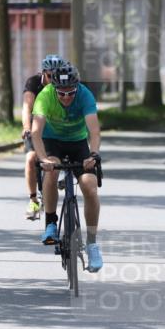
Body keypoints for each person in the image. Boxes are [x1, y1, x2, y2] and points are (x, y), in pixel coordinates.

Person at [31, 63, 104, 272]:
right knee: (51, 173)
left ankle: (92, 244)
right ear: (54, 88)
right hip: (52, 141)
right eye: (61, 93)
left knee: (90, 187)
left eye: (70, 93)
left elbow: (94, 131)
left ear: (76, 87)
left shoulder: (85, 95)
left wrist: (93, 154)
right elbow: (36, 132)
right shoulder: (45, 96)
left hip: (78, 143)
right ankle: (51, 223)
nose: (65, 97)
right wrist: (43, 158)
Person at [21, 54, 65, 220]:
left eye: (56, 76)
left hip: (58, 127)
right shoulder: (33, 83)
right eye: (49, 76)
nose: (53, 79)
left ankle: (63, 177)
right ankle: (33, 200)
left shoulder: (65, 83)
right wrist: (26, 126)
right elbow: (27, 107)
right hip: (37, 127)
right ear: (43, 73)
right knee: (31, 158)